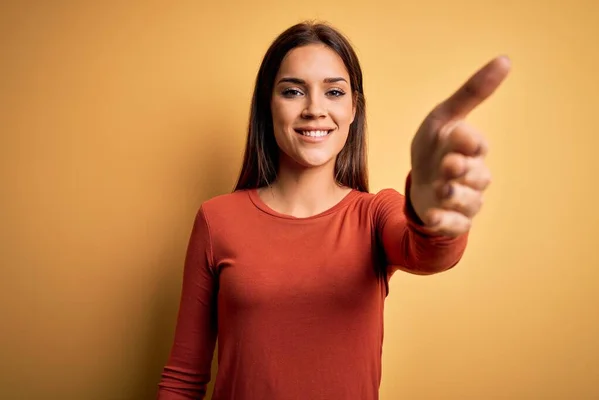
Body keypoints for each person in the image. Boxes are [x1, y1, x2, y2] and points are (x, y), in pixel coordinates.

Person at [157, 21, 510, 400]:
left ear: (353, 108)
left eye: (334, 92)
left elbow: (428, 255)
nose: (314, 109)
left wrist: (430, 212)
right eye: (293, 91)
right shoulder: (217, 219)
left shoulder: (375, 214)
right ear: (267, 105)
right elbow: (183, 379)